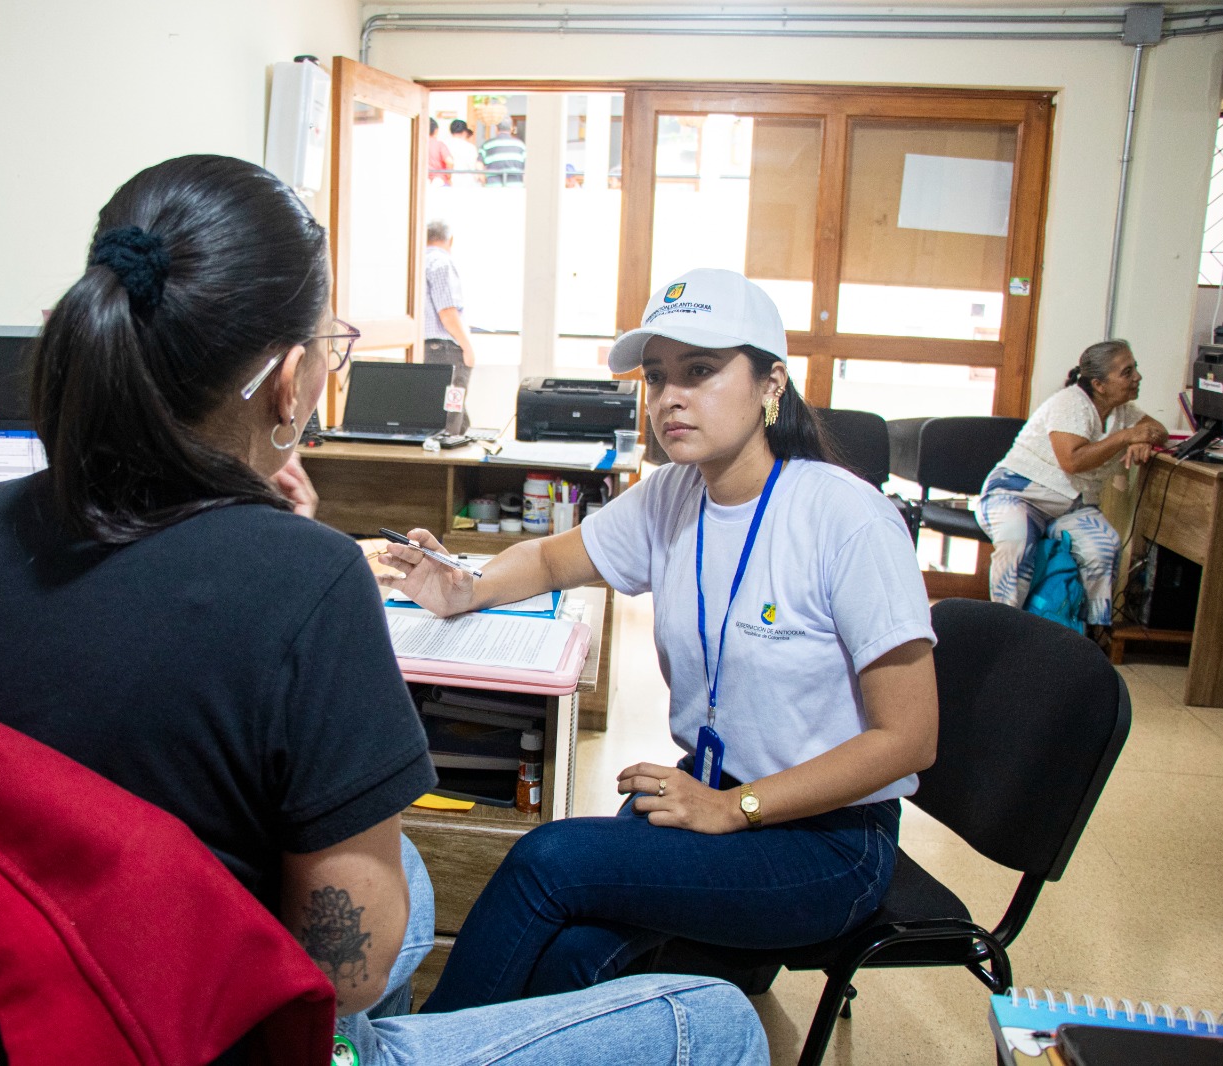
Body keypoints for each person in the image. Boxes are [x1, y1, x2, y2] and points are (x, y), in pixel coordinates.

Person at [0, 156, 768, 1066]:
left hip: (14, 1009)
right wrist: (289, 556)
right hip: (198, 1034)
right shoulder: (308, 579)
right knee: (714, 1017)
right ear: (288, 380)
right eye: (330, 344)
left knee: (417, 883)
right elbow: (340, 963)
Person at [384, 267, 940, 1013]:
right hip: (706, 798)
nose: (669, 398)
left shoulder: (848, 521)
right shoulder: (675, 495)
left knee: (549, 861)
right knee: (571, 956)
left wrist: (735, 807)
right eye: (656, 377)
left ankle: (421, 1054)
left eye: (701, 372)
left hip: (825, 843)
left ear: (772, 383)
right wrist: (467, 586)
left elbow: (910, 740)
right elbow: (553, 557)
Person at [975, 339, 1167, 628]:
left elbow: (1159, 430)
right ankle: (1005, 628)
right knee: (1016, 540)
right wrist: (1127, 437)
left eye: (1135, 369)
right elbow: (1073, 461)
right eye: (1127, 372)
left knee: (1104, 546)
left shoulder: (1123, 412)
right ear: (1099, 384)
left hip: (1071, 505)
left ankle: (1088, 635)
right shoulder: (1070, 403)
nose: (1137, 377)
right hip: (1018, 492)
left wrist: (1144, 439)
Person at [424, 219, 477, 435]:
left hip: (424, 349)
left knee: (437, 410)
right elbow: (447, 312)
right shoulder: (441, 263)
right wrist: (468, 348)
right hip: (445, 350)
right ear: (450, 240)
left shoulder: (416, 262)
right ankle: (450, 456)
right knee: (451, 413)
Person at [480, 117, 526, 186]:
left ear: (496, 128)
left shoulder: (487, 145)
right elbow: (527, 167)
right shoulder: (520, 145)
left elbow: (478, 164)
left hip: (493, 187)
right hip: (515, 187)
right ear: (511, 128)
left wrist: (483, 181)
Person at [447, 118, 482, 186]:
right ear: (465, 132)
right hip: (466, 183)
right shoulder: (470, 147)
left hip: (448, 183)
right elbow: (474, 168)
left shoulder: (444, 144)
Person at [426, 117, 453, 186]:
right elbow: (449, 161)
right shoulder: (439, 144)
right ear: (436, 130)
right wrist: (449, 177)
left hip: (422, 179)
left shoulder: (417, 143)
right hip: (438, 180)